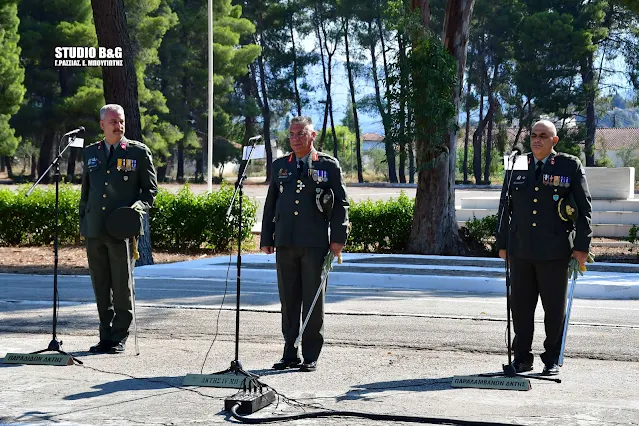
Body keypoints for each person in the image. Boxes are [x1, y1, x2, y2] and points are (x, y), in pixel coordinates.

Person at [496, 120, 592, 376]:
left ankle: (551, 359)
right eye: (534, 135)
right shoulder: (516, 163)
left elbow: (584, 209)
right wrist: (503, 243)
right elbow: (505, 208)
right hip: (521, 249)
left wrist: (582, 247)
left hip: (555, 250)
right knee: (521, 308)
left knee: (553, 309)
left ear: (554, 140)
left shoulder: (569, 165)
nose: (537, 140)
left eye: (543, 136)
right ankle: (522, 358)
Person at [261, 116, 349, 372]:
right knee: (288, 301)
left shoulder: (328, 165)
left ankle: (310, 354)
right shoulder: (280, 166)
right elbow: (271, 204)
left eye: (301, 133)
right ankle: (290, 352)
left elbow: (341, 204)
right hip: (286, 242)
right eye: (291, 134)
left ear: (313, 135)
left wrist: (338, 238)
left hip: (315, 243)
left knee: (313, 299)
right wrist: (267, 237)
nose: (296, 138)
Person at [79, 104, 158, 354]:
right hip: (95, 229)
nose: (119, 125)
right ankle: (105, 334)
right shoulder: (91, 152)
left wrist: (136, 208)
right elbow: (86, 192)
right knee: (100, 285)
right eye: (113, 121)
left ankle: (120, 335)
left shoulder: (138, 152)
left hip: (121, 229)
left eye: (121, 121)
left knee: (122, 287)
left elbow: (150, 190)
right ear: (102, 124)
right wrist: (84, 221)